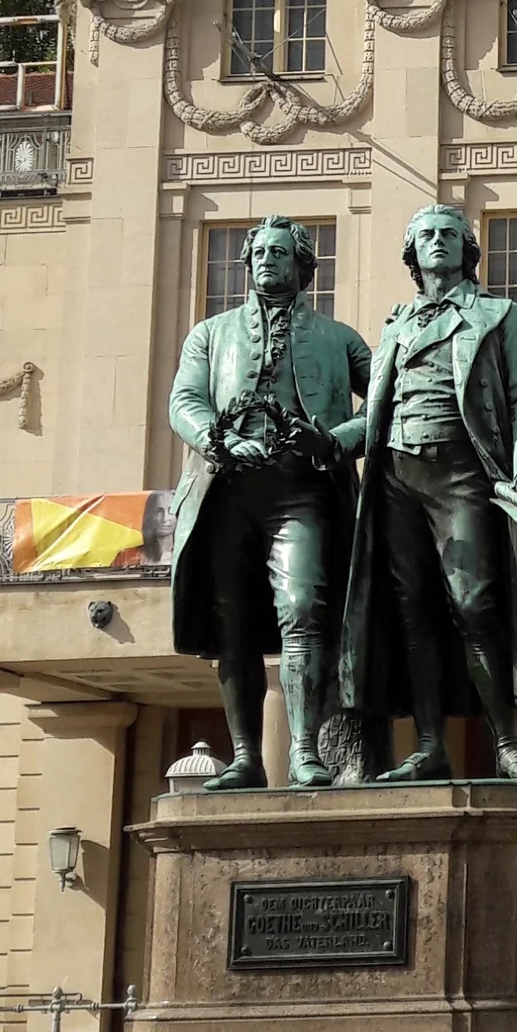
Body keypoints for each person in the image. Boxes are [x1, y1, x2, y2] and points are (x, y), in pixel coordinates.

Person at [336, 202, 517, 782]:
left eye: (450, 234)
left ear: (468, 250)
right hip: (394, 481)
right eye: (427, 235)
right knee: (414, 616)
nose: (438, 242)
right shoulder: (396, 326)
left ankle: (505, 742)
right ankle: (431, 744)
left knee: (475, 605)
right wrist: (324, 442)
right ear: (412, 252)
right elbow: (376, 416)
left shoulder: (498, 314)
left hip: (462, 473)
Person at [166, 216, 370, 790]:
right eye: (258, 253)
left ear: (304, 267)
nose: (266, 262)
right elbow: (184, 399)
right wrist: (218, 439)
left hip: (302, 491)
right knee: (233, 624)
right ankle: (245, 757)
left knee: (303, 607)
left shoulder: (339, 339)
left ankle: (305, 751)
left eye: (280, 253)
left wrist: (333, 440)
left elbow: (385, 404)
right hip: (225, 492)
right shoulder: (210, 334)